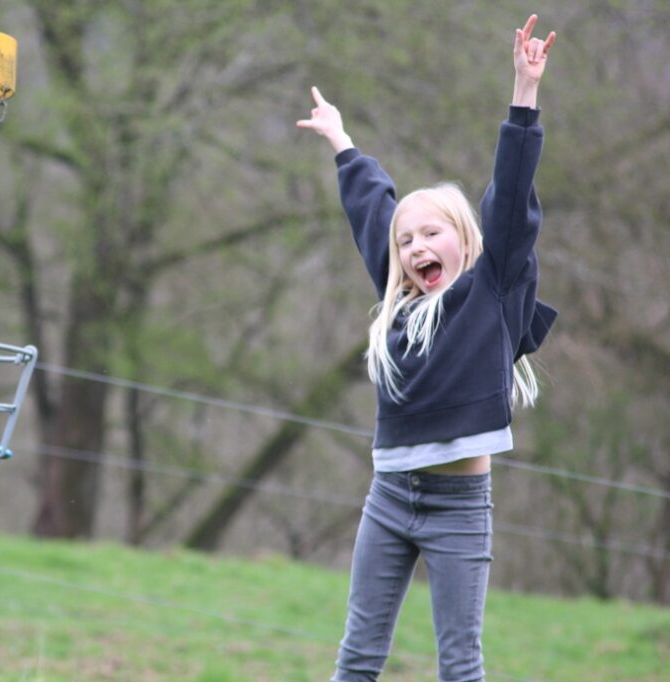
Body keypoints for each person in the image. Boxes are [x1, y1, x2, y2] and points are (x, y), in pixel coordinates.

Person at [296, 14, 558, 682]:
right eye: (406, 241)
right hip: (389, 496)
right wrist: (341, 141)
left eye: (430, 234)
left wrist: (523, 94)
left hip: (459, 507)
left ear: (464, 240)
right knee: (356, 658)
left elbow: (510, 199)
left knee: (459, 664)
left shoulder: (488, 290)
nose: (414, 248)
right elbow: (371, 212)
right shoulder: (401, 300)